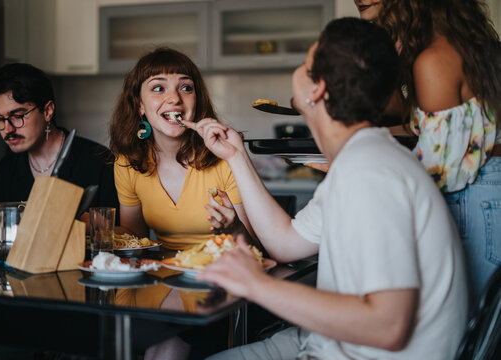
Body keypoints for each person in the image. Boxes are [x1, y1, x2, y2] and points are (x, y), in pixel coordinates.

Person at [184, 18, 467, 359]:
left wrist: (257, 285)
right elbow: (285, 243)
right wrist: (236, 156)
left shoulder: (370, 172)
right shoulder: (360, 160)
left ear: (317, 89)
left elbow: (388, 327)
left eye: (306, 64)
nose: (299, 70)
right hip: (324, 341)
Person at [355, 0, 501, 305]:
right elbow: (435, 128)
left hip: (472, 202)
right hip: (487, 193)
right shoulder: (459, 44)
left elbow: (435, 173)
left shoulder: (432, 59)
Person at [108, 47, 255, 250]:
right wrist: (92, 229)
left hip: (225, 272)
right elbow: (136, 240)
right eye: (158, 88)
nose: (175, 98)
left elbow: (255, 249)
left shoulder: (224, 157)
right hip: (166, 273)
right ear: (139, 104)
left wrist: (235, 228)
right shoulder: (128, 162)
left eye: (186, 88)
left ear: (197, 99)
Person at [0, 63, 119, 223]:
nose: (7, 129)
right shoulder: (6, 169)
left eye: (18, 116)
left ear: (47, 111)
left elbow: (121, 236)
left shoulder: (99, 162)